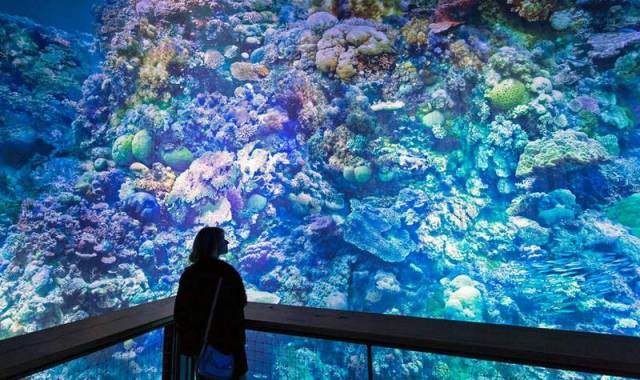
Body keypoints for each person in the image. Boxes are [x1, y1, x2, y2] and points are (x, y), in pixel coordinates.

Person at [174, 227, 248, 380]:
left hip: (202, 347)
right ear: (214, 245)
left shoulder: (189, 274)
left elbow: (180, 311)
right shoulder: (227, 272)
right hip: (228, 345)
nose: (227, 242)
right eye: (223, 239)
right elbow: (241, 301)